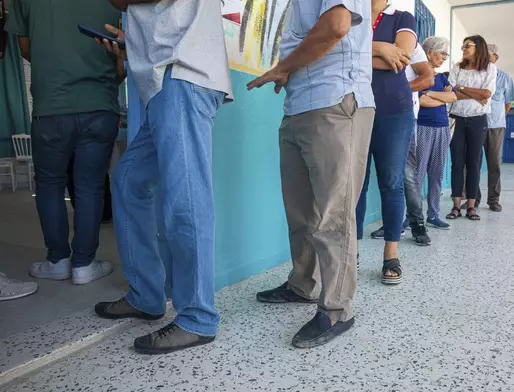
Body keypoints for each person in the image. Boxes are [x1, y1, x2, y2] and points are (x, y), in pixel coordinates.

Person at [94, 0, 234, 355]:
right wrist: (134, 42)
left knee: (185, 197)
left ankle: (198, 317)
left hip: (182, 72)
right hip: (164, 76)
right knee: (128, 179)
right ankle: (147, 295)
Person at [250, 0, 375, 349]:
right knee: (301, 211)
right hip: (299, 105)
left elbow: (337, 25)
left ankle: (337, 308)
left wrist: (282, 66)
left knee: (334, 213)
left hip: (335, 100)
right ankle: (302, 283)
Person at [5, 0, 123, 285]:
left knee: (48, 184)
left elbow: (24, 47)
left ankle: (57, 260)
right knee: (90, 187)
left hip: (51, 106)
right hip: (99, 103)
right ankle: (84, 264)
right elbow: (125, 54)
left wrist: (57, 67)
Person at [356, 0, 420, 286]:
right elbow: (337, 52)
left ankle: (390, 255)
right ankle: (351, 251)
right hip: (353, 107)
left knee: (392, 182)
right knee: (353, 183)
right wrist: (382, 48)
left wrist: (359, 52)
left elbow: (402, 57)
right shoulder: (351, 13)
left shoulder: (402, 17)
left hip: (394, 111)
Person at [371, 39, 434, 241]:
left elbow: (427, 78)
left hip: (400, 116)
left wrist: (397, 92)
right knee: (376, 179)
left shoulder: (408, 41)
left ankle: (418, 225)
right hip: (366, 113)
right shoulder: (369, 36)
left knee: (403, 175)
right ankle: (393, 225)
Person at [405, 36, 456, 243]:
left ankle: (434, 214)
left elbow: (453, 97)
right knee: (416, 176)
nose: (444, 57)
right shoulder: (420, 74)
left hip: (443, 128)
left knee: (436, 174)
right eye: (441, 53)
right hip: (423, 127)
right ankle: (412, 217)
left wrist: (433, 96)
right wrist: (438, 97)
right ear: (428, 53)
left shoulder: (443, 79)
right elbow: (422, 101)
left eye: (446, 54)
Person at [445, 35, 497, 222]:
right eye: (463, 45)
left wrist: (462, 88)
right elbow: (451, 92)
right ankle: (456, 205)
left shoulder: (490, 68)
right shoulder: (457, 67)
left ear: (479, 47)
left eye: (468, 45)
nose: (464, 48)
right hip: (456, 119)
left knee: (474, 164)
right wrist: (473, 93)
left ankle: (472, 206)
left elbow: (487, 93)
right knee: (457, 163)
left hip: (477, 120)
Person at [467, 43, 514, 212]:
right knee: (473, 163)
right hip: (474, 123)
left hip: (495, 126)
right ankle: (474, 198)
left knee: (494, 164)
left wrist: (497, 117)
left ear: (496, 57)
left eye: (488, 55)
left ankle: (494, 200)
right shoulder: (475, 75)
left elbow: (508, 103)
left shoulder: (505, 77)